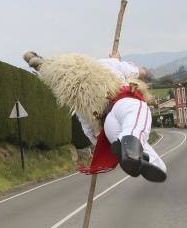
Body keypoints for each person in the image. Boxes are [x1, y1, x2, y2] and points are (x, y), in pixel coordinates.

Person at [23, 50, 166, 182]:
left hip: (108, 127)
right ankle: (132, 150)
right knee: (139, 113)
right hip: (122, 104)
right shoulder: (107, 64)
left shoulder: (76, 99)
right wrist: (117, 60)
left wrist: (100, 144)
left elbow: (89, 131)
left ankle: (144, 161)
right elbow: (141, 73)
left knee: (138, 145)